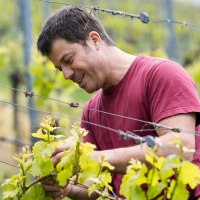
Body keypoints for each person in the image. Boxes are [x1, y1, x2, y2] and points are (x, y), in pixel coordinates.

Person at [37, 5, 200, 200]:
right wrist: (69, 189)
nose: (66, 74)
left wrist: (95, 158)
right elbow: (97, 184)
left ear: (95, 40)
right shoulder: (91, 111)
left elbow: (180, 147)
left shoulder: (161, 75)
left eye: (69, 60)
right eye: (59, 68)